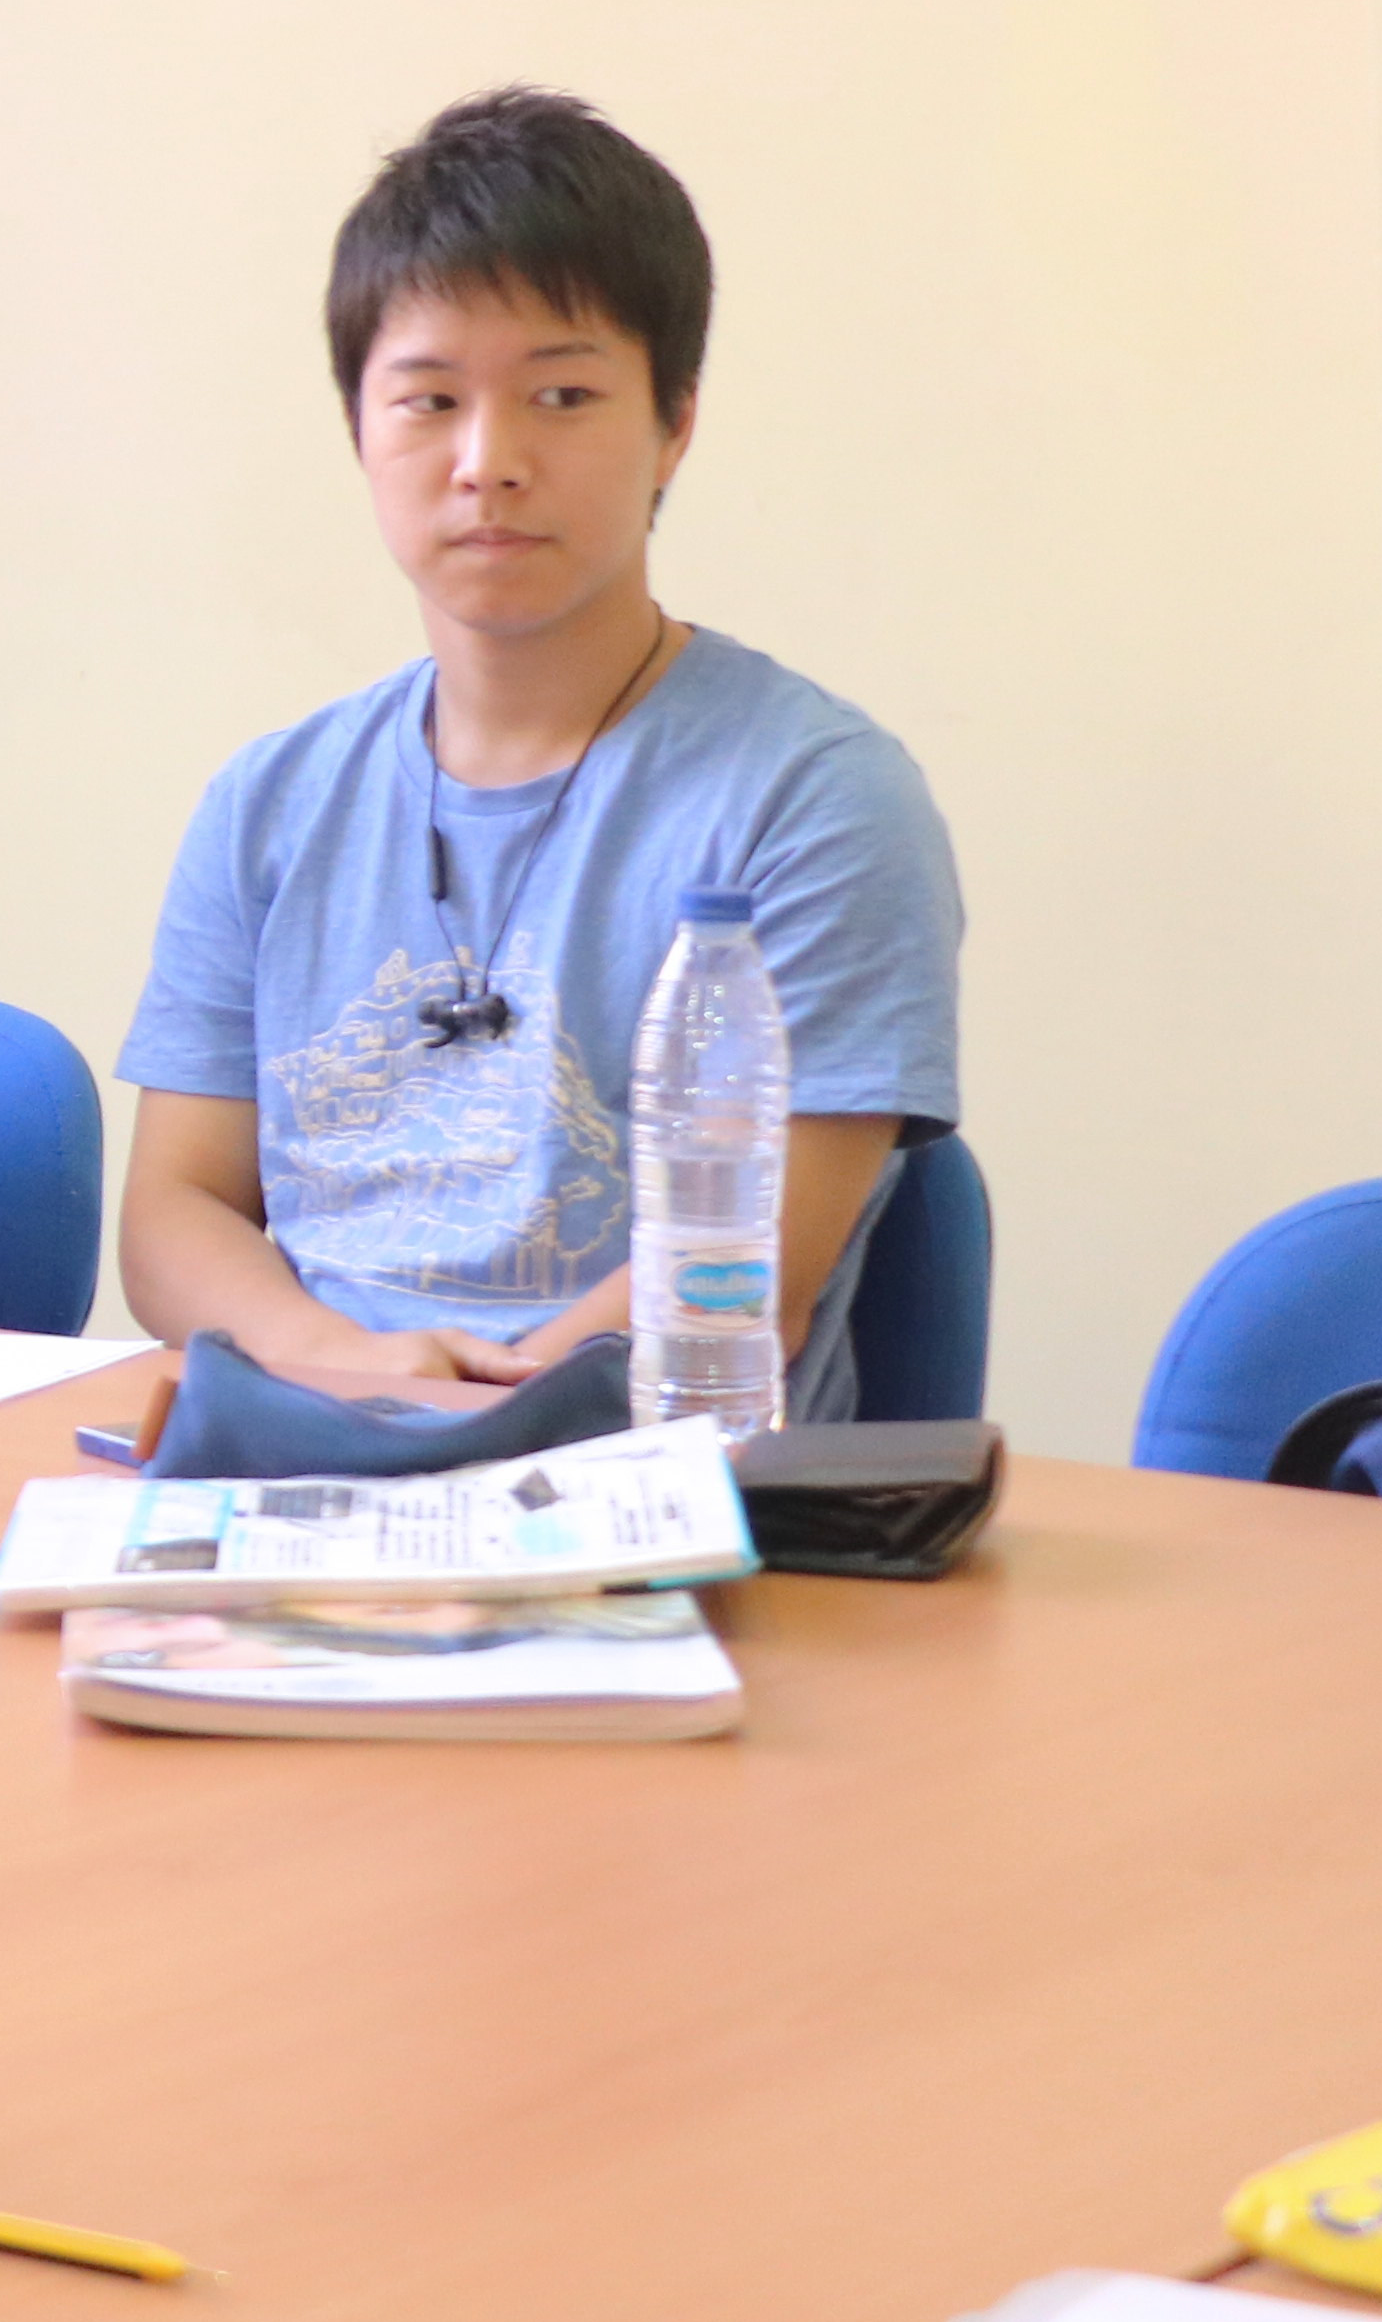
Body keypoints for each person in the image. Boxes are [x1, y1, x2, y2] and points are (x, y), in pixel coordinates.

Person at [115, 89, 964, 1426]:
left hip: (649, 1480)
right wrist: (334, 1361)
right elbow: (173, 1210)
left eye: (563, 396)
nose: (487, 462)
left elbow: (750, 1276)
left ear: (675, 421)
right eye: (429, 400)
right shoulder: (269, 805)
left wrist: (480, 1411)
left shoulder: (814, 799)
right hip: (309, 1441)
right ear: (359, 429)